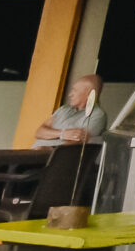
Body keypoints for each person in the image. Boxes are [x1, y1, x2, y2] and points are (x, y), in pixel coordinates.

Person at [28, 75, 106, 215]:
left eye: (74, 90)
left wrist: (50, 148)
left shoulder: (96, 115)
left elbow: (77, 143)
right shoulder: (63, 110)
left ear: (89, 93)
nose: (70, 94)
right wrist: (63, 134)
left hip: (54, 166)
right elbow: (39, 131)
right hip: (33, 157)